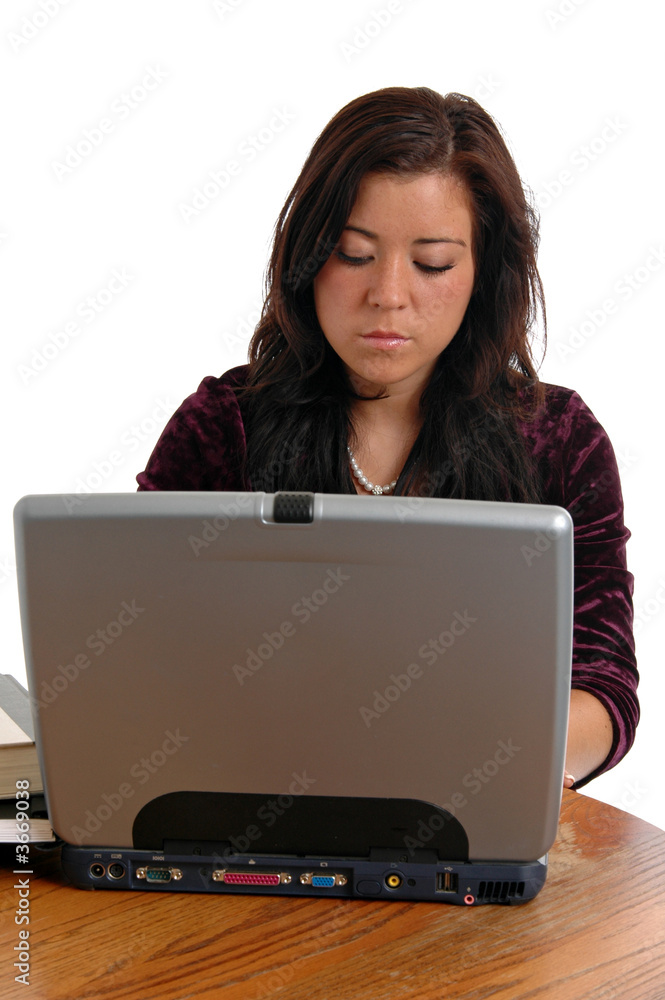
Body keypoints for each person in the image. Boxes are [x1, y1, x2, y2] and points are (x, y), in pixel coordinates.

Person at [137, 86, 638, 790]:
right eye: (352, 254)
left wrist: (482, 770)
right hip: (242, 804)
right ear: (306, 259)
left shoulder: (559, 440)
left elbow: (603, 681)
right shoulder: (223, 425)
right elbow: (132, 653)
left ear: (483, 273)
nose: (388, 295)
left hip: (469, 815)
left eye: (432, 262)